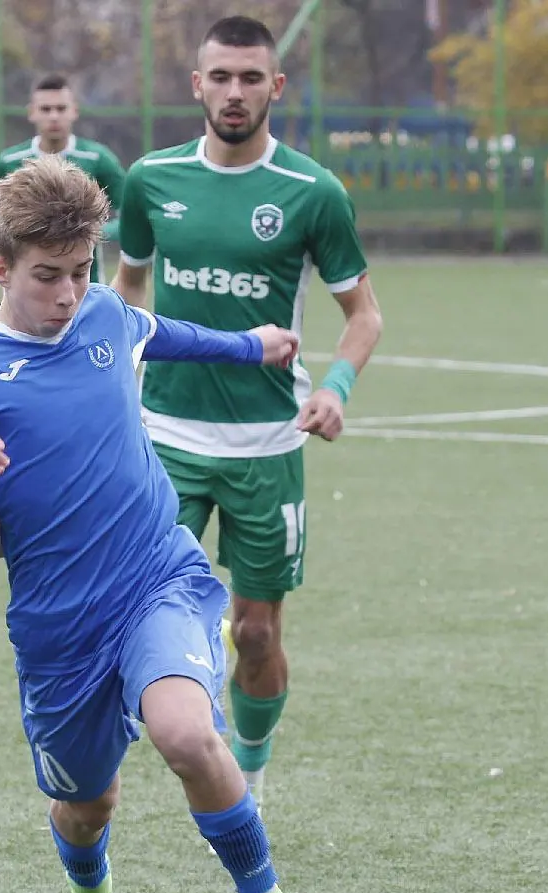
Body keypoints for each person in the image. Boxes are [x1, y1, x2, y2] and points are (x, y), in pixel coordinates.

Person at [0, 157, 344, 893]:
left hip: (155, 578)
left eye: (81, 270)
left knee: (186, 733)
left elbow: (163, 331)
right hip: (58, 626)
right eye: (47, 275)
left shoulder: (104, 313)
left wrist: (250, 346)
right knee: (87, 805)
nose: (68, 293)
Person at [112, 16, 384, 808]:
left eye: (250, 78)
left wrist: (334, 388)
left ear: (276, 87)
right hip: (165, 436)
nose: (235, 92)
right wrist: (111, 379)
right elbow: (126, 289)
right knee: (144, 610)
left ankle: (250, 774)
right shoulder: (150, 179)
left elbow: (363, 314)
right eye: (221, 77)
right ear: (196, 84)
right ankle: (150, 752)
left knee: (257, 631)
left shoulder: (312, 193)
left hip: (266, 445)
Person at [0, 73, 127, 283]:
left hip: (87, 284)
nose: (54, 116)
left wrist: (93, 231)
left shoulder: (97, 159)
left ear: (74, 111)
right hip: (28, 283)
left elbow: (130, 214)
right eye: (46, 109)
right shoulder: (10, 161)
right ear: (32, 112)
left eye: (61, 108)